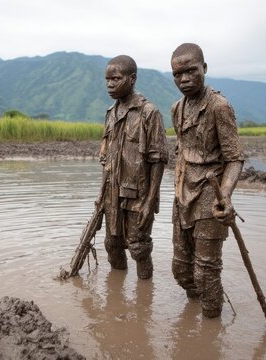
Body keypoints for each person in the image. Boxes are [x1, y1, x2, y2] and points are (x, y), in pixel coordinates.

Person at [170, 43, 244, 317]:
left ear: (205, 68)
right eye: (178, 74)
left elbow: (235, 158)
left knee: (206, 269)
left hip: (210, 196)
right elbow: (182, 151)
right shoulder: (177, 109)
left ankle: (211, 324)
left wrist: (225, 194)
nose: (184, 79)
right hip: (182, 195)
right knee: (180, 268)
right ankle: (196, 311)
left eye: (191, 71)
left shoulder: (219, 107)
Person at [99, 55, 168, 280]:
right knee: (112, 246)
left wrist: (150, 202)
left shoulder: (149, 113)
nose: (110, 84)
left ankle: (144, 299)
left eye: (116, 78)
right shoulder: (110, 114)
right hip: (111, 196)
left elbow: (158, 160)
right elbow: (105, 161)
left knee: (139, 248)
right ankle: (116, 296)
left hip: (138, 196)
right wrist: (101, 197)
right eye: (107, 79)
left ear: (132, 79)